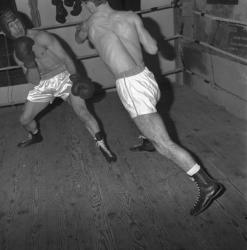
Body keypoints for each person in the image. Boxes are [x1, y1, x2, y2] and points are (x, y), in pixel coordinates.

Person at [74, 0, 225, 216]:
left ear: (87, 3)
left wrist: (82, 24)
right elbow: (153, 47)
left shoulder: (91, 24)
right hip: (146, 77)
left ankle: (206, 184)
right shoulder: (130, 17)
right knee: (146, 119)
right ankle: (147, 141)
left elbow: (79, 38)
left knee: (164, 143)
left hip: (131, 85)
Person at [0, 8, 116, 163]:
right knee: (24, 119)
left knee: (82, 111)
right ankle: (35, 135)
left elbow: (67, 59)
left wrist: (76, 78)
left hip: (64, 76)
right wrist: (30, 62)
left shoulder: (42, 37)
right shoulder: (17, 54)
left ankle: (102, 145)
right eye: (11, 26)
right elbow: (33, 81)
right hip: (43, 83)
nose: (17, 27)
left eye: (16, 22)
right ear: (6, 32)